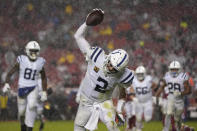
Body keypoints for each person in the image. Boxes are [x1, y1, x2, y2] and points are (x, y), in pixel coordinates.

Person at [74, 9, 134, 131]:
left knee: (113, 128)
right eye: (110, 64)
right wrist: (86, 24)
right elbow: (78, 37)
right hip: (86, 100)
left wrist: (119, 109)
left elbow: (123, 90)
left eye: (114, 68)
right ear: (109, 56)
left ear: (121, 69)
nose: (110, 67)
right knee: (78, 128)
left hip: (104, 101)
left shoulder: (124, 75)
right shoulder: (97, 56)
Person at [2, 41, 47, 131]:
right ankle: (23, 126)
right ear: (27, 50)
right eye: (32, 51)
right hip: (22, 88)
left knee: (32, 106)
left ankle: (30, 128)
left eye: (35, 51)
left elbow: (43, 77)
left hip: (34, 87)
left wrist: (44, 91)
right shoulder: (22, 60)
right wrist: (6, 83)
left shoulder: (40, 62)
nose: (34, 53)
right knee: (21, 113)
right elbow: (10, 73)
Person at [155, 60, 191, 131]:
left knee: (177, 118)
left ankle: (181, 128)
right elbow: (162, 86)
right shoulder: (167, 76)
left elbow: (189, 90)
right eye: (172, 69)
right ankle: (165, 129)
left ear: (179, 69)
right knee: (168, 113)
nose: (174, 71)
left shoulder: (183, 76)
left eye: (175, 69)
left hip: (180, 99)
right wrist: (157, 95)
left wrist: (180, 93)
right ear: (169, 69)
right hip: (170, 96)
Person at [129, 65, 157, 131]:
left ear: (144, 73)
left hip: (148, 101)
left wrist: (155, 96)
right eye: (138, 74)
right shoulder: (134, 81)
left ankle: (140, 126)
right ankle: (138, 128)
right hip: (139, 102)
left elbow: (155, 86)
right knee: (138, 118)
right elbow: (131, 91)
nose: (140, 75)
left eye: (141, 74)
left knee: (148, 119)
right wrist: (133, 98)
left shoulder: (148, 79)